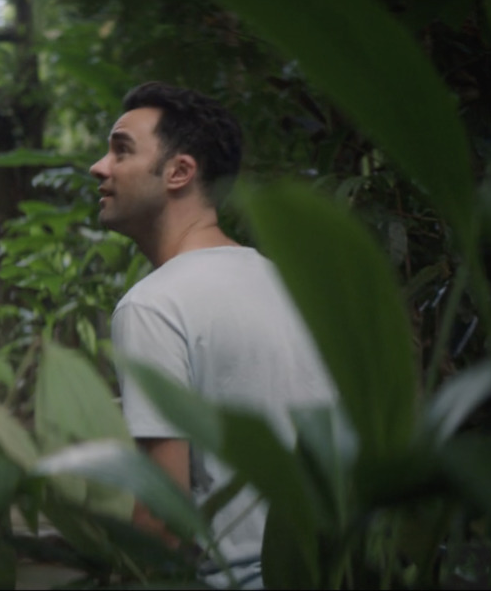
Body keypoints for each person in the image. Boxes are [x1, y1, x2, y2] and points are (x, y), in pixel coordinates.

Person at [90, 82, 337, 588]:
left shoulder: (153, 306)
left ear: (179, 172)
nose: (100, 167)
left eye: (121, 150)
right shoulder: (292, 281)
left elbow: (164, 519)